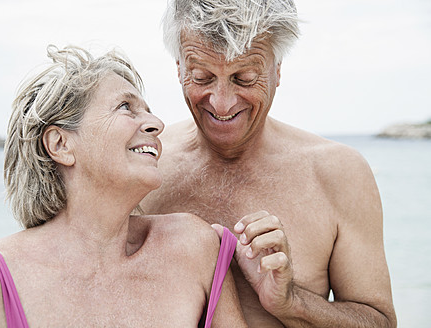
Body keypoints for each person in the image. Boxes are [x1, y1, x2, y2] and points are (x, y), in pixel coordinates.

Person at [0, 45, 248, 327]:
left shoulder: (194, 247)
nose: (157, 123)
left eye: (147, 109)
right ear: (60, 144)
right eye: (126, 107)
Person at [141, 0, 397, 327]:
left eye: (244, 78)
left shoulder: (338, 173)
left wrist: (292, 303)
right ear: (178, 68)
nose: (221, 103)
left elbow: (380, 322)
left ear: (277, 69)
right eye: (202, 77)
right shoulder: (146, 168)